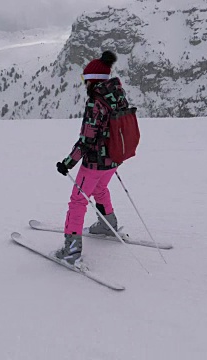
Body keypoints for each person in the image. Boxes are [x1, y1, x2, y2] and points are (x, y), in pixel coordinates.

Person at [55, 50, 130, 266]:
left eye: (85, 79)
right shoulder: (117, 95)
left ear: (93, 80)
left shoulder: (95, 103)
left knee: (78, 201)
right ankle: (108, 225)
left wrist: (68, 163)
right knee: (100, 189)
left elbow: (86, 140)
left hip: (95, 162)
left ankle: (71, 251)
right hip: (114, 158)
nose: (84, 84)